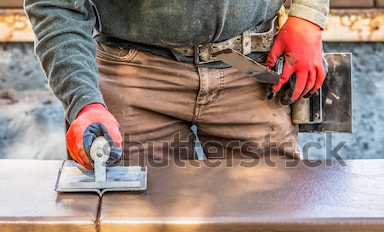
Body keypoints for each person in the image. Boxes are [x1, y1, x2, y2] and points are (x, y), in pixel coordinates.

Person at [24, 0, 329, 169]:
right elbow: (55, 4)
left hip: (251, 69)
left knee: (273, 225)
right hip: (134, 75)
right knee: (132, 231)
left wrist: (307, 18)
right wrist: (85, 102)